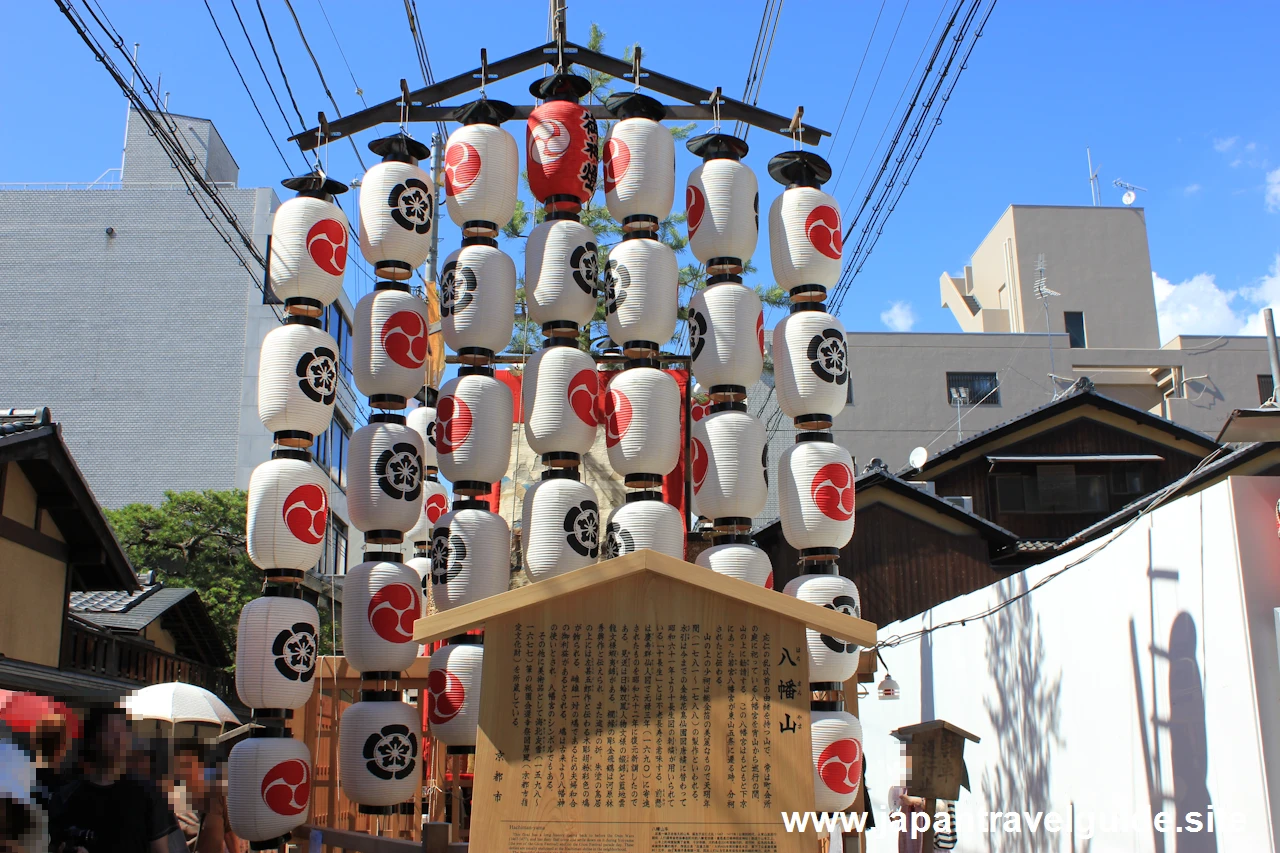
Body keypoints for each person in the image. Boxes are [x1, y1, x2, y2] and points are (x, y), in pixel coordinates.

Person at [47, 706, 176, 853]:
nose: (119, 738)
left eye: (124, 730)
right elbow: (52, 844)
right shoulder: (65, 797)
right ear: (93, 740)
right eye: (111, 731)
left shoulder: (149, 794)